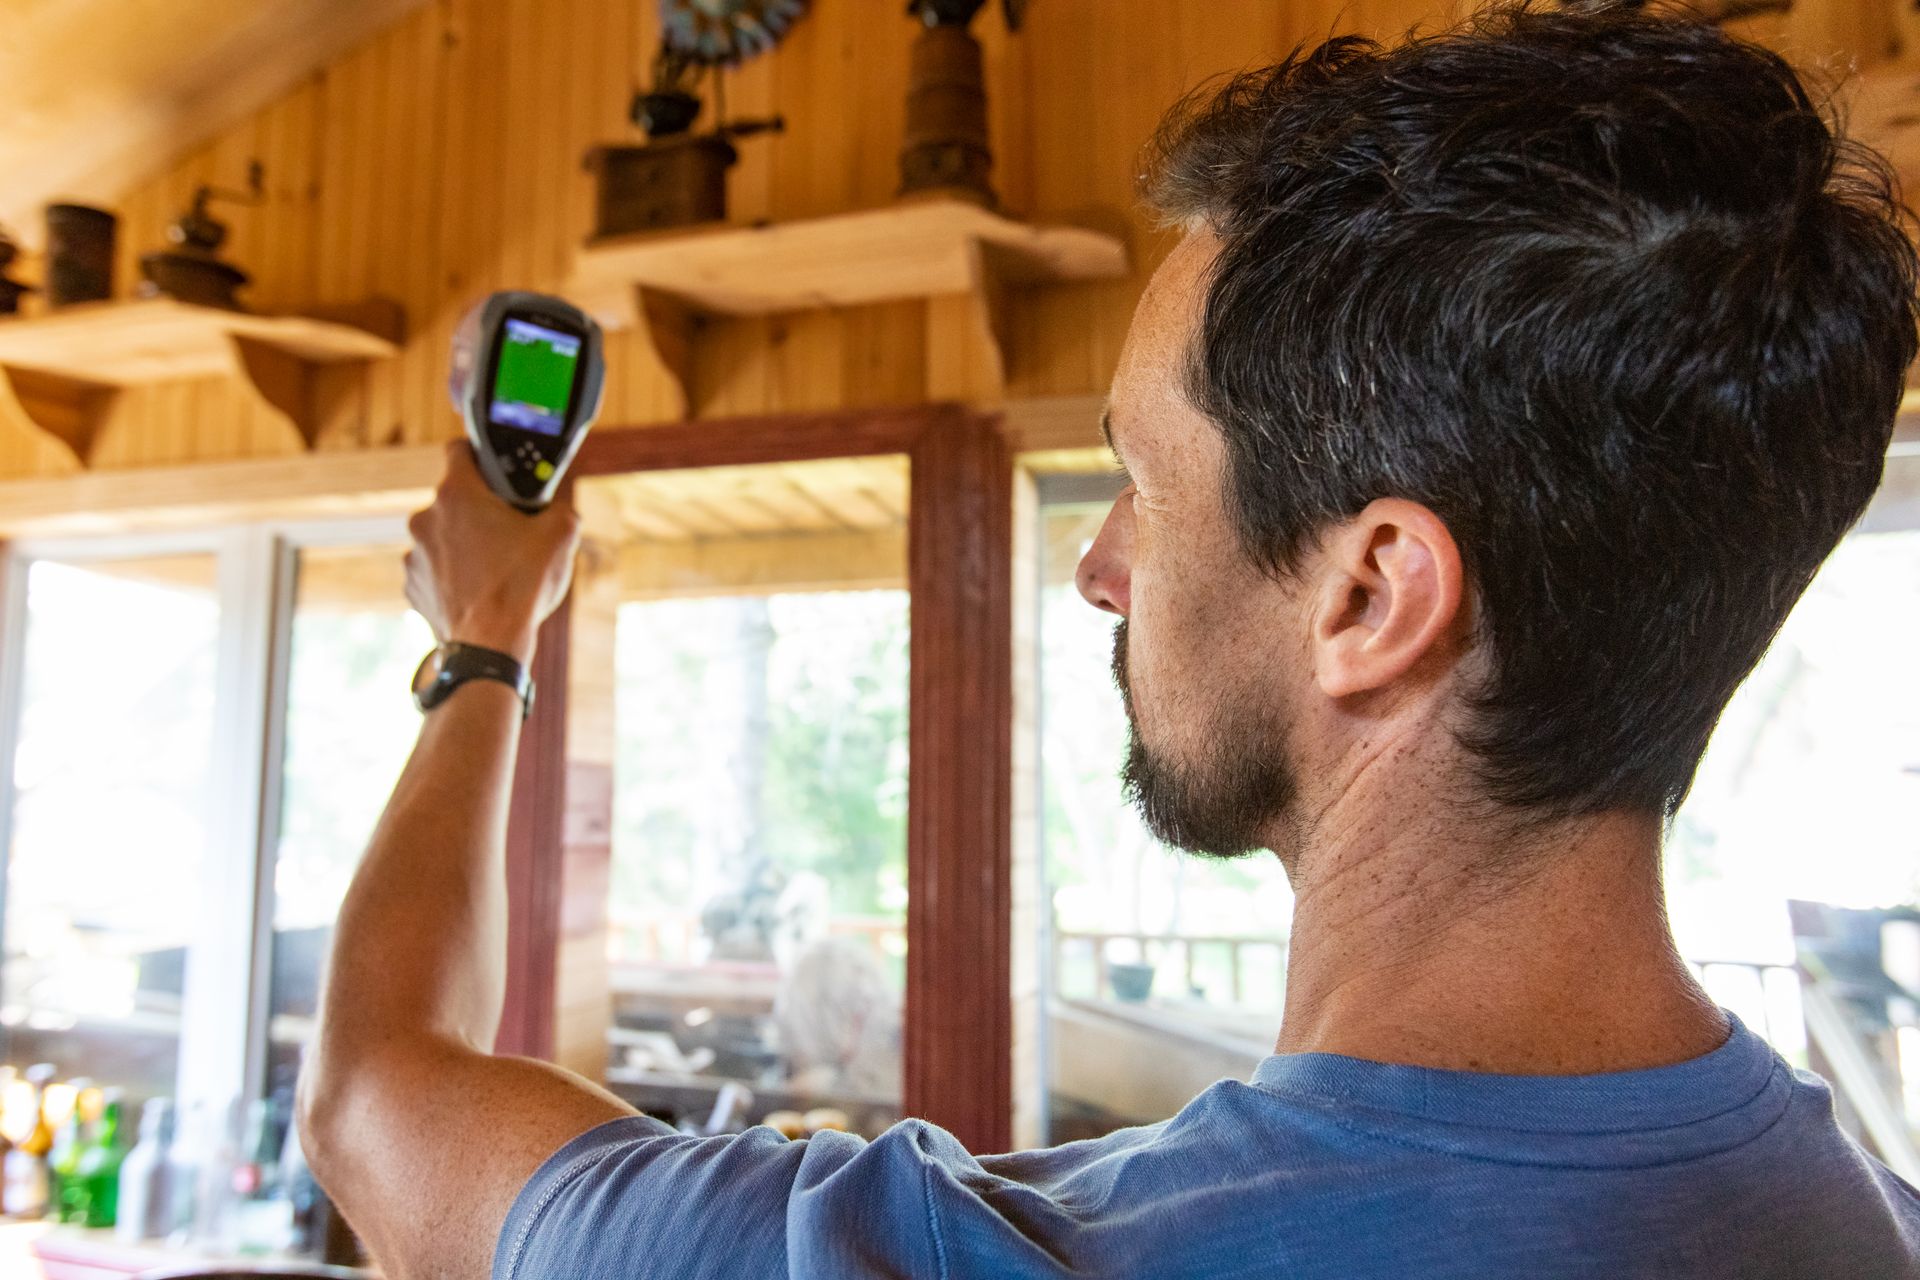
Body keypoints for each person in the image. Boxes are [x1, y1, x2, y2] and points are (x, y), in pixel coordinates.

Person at [295, 4, 1920, 1277]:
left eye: (1146, 480)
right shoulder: (1865, 1223)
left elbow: (373, 1093)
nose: (1099, 563)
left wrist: (487, 640)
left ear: (1373, 598)